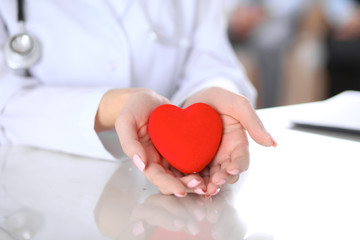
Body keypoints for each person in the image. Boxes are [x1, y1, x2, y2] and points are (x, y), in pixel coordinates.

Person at [0, 0, 276, 197]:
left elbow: (213, 62)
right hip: (36, 187)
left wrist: (209, 100)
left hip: (171, 202)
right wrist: (116, 106)